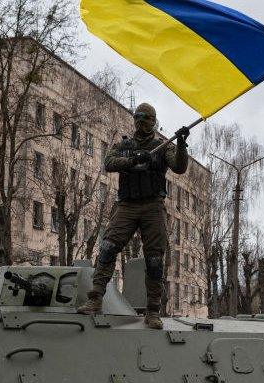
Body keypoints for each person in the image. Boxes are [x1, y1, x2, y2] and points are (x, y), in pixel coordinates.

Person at [77, 103, 189, 329]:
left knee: (155, 259)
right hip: (127, 205)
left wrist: (180, 144)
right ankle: (96, 298)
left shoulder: (162, 147)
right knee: (108, 247)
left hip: (152, 206)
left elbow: (179, 166)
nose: (140, 121)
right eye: (137, 117)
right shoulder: (124, 145)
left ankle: (153, 311)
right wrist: (134, 159)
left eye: (145, 118)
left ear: (153, 121)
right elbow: (108, 163)